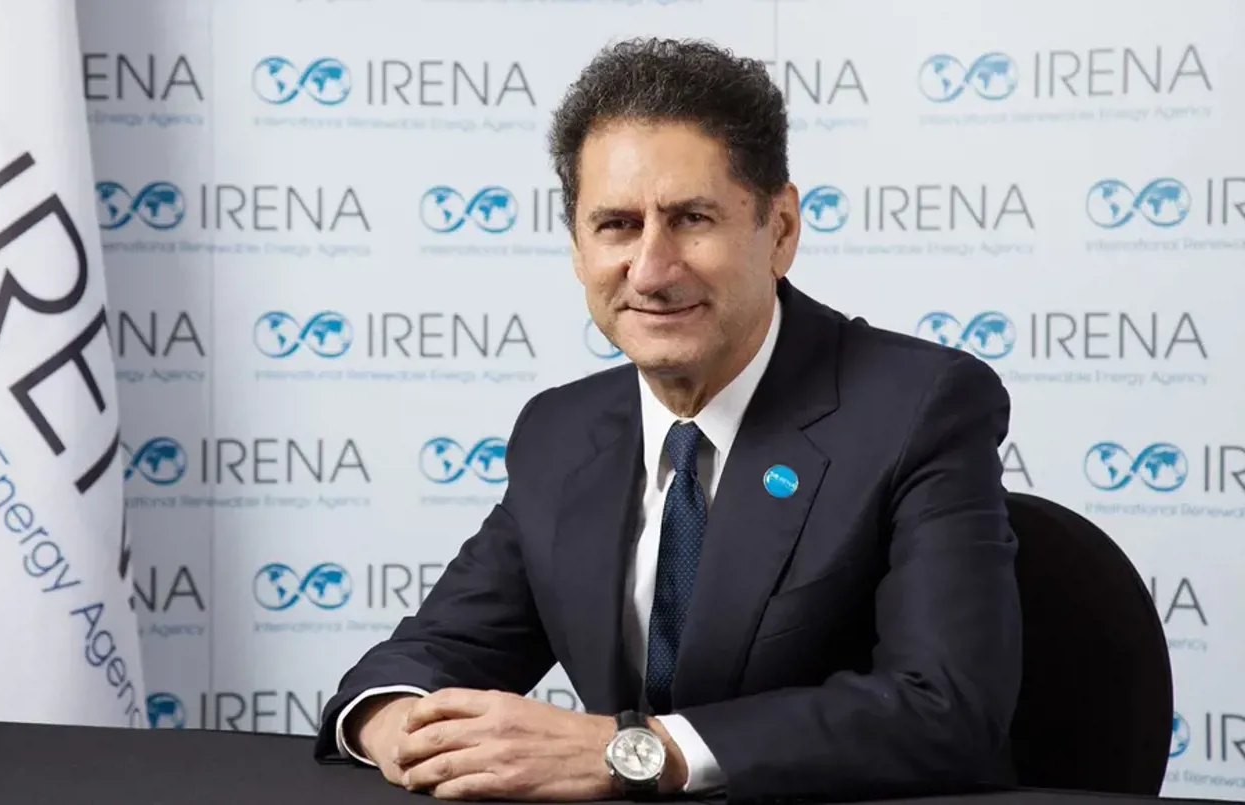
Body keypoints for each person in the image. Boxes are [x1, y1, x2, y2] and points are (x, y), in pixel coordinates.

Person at [312, 37, 1022, 803]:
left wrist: (637, 751)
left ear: (781, 229)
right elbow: (424, 659)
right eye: (617, 225)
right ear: (577, 248)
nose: (651, 270)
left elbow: (945, 708)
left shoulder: (922, 406)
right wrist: (399, 723)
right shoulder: (560, 432)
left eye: (691, 218)